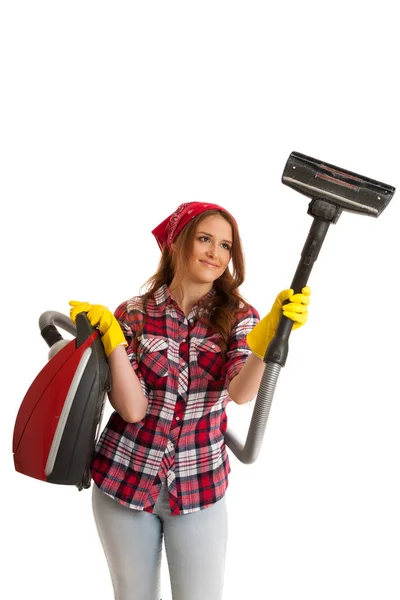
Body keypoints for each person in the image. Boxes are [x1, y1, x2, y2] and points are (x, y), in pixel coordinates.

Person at [69, 201, 311, 600]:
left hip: (199, 488)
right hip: (123, 481)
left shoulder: (239, 316)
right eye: (204, 239)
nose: (216, 253)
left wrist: (266, 340)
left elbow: (241, 392)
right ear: (177, 242)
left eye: (226, 246)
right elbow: (132, 410)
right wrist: (112, 339)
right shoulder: (134, 314)